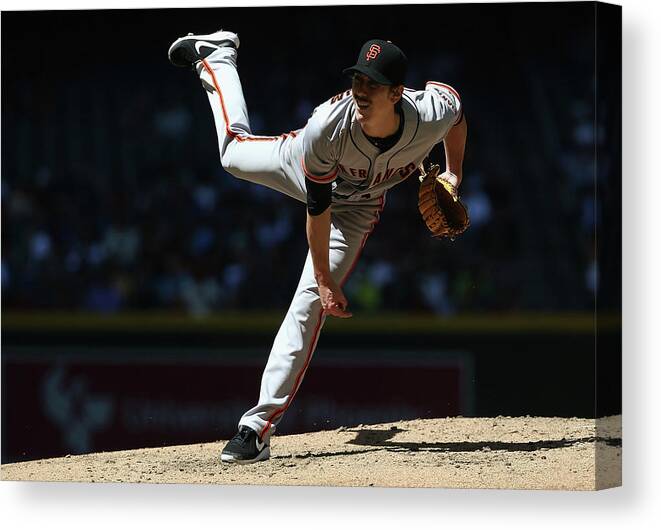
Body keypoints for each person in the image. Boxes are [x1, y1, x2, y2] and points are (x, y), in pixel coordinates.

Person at [168, 30, 467, 464]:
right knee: (232, 155)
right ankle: (217, 54)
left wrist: (454, 174)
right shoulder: (328, 128)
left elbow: (456, 114)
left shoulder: (429, 113)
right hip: (307, 172)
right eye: (357, 80)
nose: (360, 91)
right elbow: (318, 208)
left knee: (307, 306)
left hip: (358, 210)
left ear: (397, 92)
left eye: (372, 84)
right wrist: (325, 279)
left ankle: (256, 428)